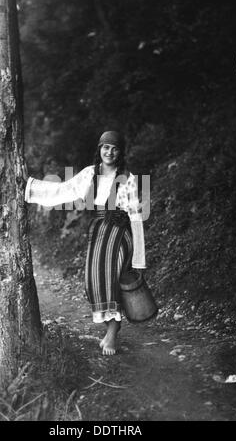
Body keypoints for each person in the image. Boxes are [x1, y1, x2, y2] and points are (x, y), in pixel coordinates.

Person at [24, 131, 146, 355]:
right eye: (105, 147)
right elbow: (64, 190)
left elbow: (136, 217)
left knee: (110, 279)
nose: (109, 152)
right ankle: (111, 325)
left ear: (120, 152)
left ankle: (112, 331)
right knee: (92, 282)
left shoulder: (127, 179)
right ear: (99, 150)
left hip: (120, 233)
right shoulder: (90, 174)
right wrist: (30, 188)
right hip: (98, 230)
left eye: (114, 148)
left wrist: (138, 259)